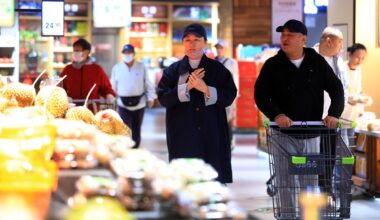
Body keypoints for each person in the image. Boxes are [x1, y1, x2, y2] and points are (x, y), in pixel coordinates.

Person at [254, 19, 344, 218]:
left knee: (308, 182)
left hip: (311, 134)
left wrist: (334, 114)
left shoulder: (317, 62)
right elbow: (260, 94)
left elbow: (336, 88)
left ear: (303, 39)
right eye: (282, 34)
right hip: (282, 134)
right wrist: (277, 114)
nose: (284, 38)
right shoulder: (273, 65)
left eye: (290, 35)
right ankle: (287, 217)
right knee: (285, 182)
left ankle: (308, 217)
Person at [157, 23, 237, 184]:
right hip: (182, 132)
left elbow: (229, 95)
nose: (192, 44)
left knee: (212, 176)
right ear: (183, 43)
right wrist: (187, 87)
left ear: (205, 42)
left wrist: (205, 89)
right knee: (184, 179)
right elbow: (163, 98)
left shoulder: (218, 70)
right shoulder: (173, 71)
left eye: (197, 40)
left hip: (211, 131)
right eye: (187, 40)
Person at [110, 44, 156, 148]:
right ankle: (125, 148)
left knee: (136, 128)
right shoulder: (117, 68)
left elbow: (148, 84)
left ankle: (135, 148)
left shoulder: (141, 67)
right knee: (124, 127)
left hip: (139, 103)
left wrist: (151, 97)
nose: (127, 55)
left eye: (129, 53)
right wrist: (112, 99)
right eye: (125, 53)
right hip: (122, 104)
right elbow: (112, 85)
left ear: (134, 54)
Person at [60, 38, 115, 112]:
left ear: (87, 52)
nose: (75, 53)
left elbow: (106, 88)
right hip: (72, 110)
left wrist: (109, 95)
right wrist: (65, 97)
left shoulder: (97, 70)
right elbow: (60, 87)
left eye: (78, 51)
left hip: (92, 110)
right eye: (74, 51)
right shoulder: (68, 69)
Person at [314, 27, 349, 118]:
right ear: (329, 41)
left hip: (331, 118)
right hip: (310, 118)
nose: (342, 46)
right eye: (340, 41)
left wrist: (338, 110)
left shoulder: (339, 62)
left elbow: (343, 87)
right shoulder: (309, 58)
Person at [214, 39, 239, 147]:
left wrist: (235, 95)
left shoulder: (231, 62)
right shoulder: (212, 61)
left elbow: (235, 78)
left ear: (226, 49)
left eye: (221, 48)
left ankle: (229, 141)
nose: (219, 50)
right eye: (217, 48)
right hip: (214, 94)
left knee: (227, 119)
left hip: (227, 94)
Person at [341, 43, 368, 122]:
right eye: (357, 57)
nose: (360, 61)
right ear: (350, 54)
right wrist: (347, 100)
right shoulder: (342, 69)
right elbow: (337, 91)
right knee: (341, 133)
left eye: (362, 58)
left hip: (354, 112)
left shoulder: (358, 69)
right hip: (342, 112)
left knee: (352, 132)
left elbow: (358, 90)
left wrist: (361, 110)